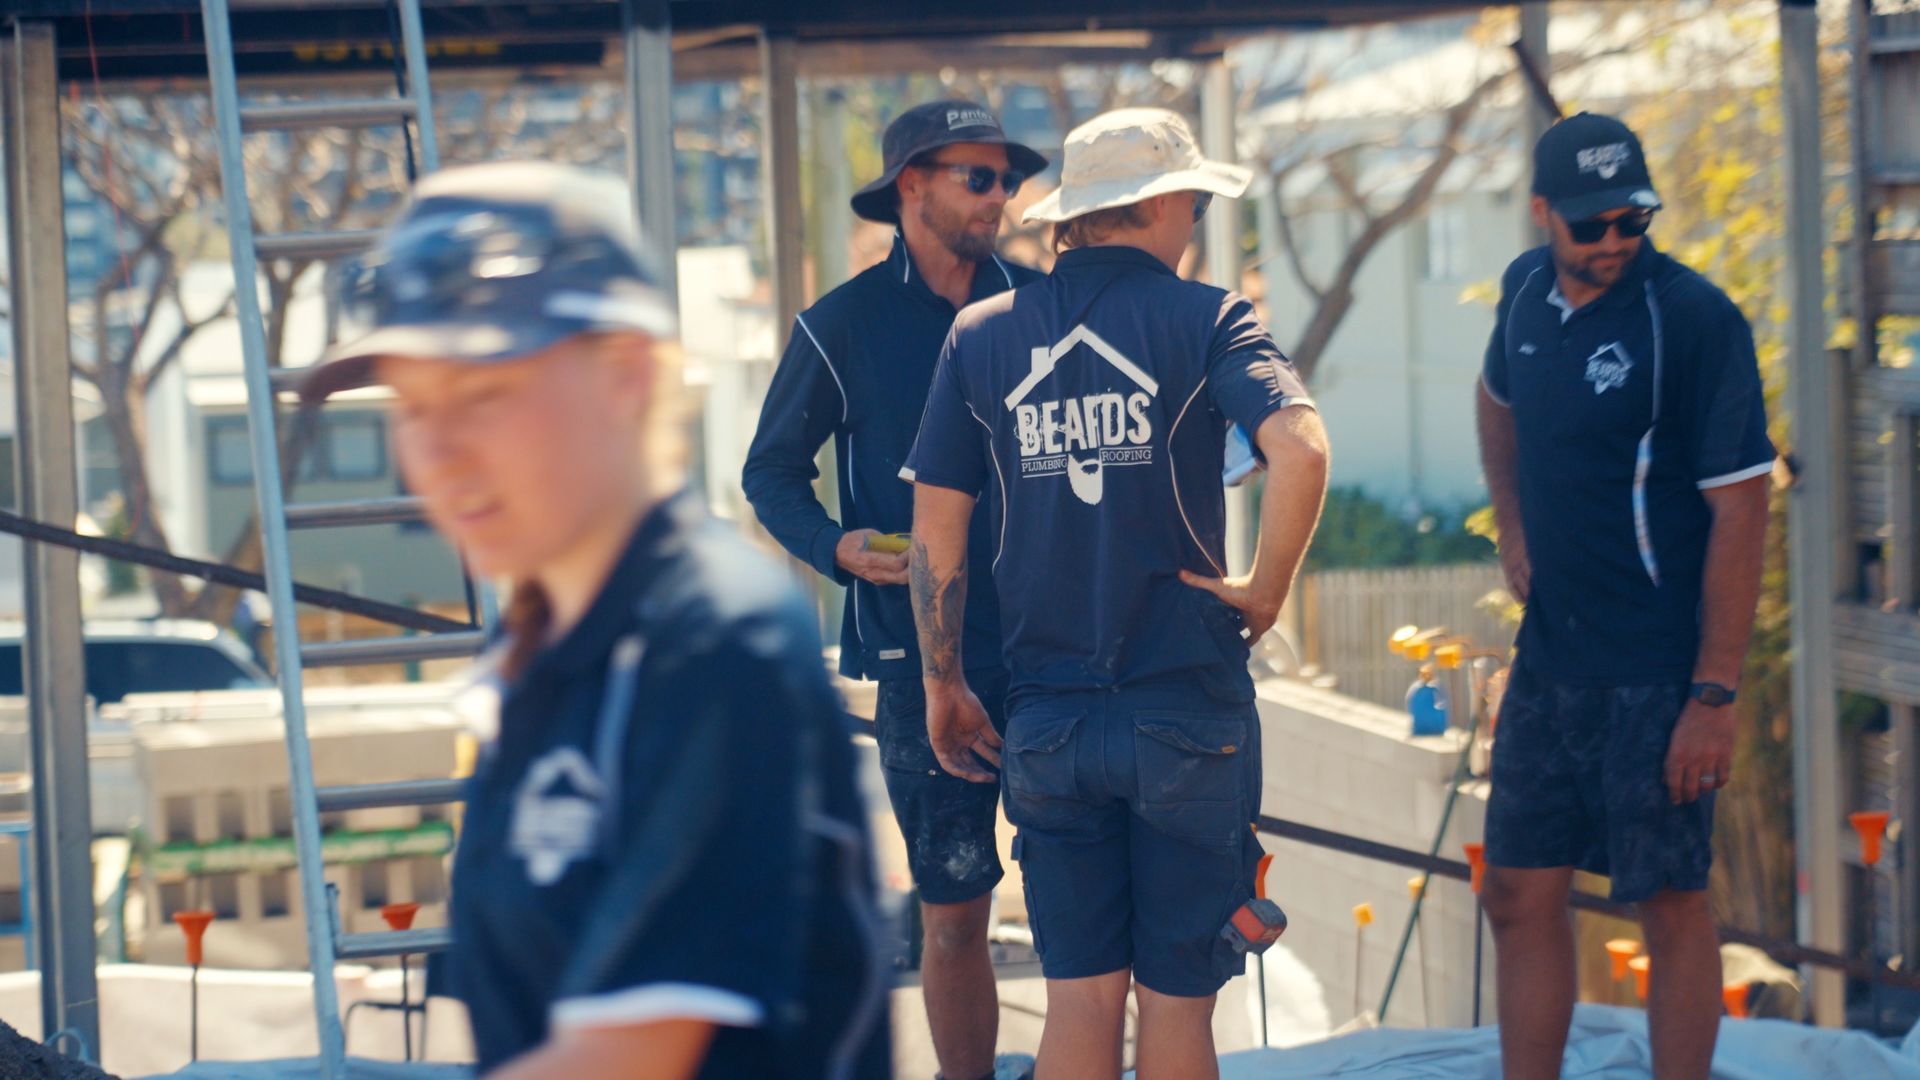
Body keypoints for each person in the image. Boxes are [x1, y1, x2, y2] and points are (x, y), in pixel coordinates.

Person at [302, 161, 891, 1080]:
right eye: (412, 408)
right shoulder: (537, 650)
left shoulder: (710, 640)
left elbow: (622, 1057)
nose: (440, 455)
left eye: (485, 394)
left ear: (623, 376)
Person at [904, 108, 1329, 1080]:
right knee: (1177, 1008)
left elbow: (937, 529)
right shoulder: (1208, 317)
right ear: (1166, 203)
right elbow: (1300, 449)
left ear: (1078, 217)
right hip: (1184, 707)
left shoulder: (983, 335)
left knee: (1080, 1004)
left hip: (1047, 721)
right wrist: (1265, 589)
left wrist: (943, 683)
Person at [743, 99, 1045, 1080]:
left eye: (1008, 178)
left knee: (1087, 898)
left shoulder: (1049, 304)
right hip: (923, 663)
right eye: (980, 177)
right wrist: (835, 546)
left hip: (1063, 651)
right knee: (953, 913)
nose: (1002, 196)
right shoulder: (840, 326)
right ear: (912, 185)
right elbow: (770, 473)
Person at [1476, 113, 1773, 1080]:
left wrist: (1714, 697)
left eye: (1631, 221)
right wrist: (1513, 527)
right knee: (1517, 893)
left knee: (1671, 899)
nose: (1612, 242)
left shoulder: (1692, 319)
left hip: (1660, 671)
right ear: (1542, 215)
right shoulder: (1523, 289)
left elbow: (1743, 507)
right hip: (1552, 658)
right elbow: (1495, 402)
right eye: (1589, 225)